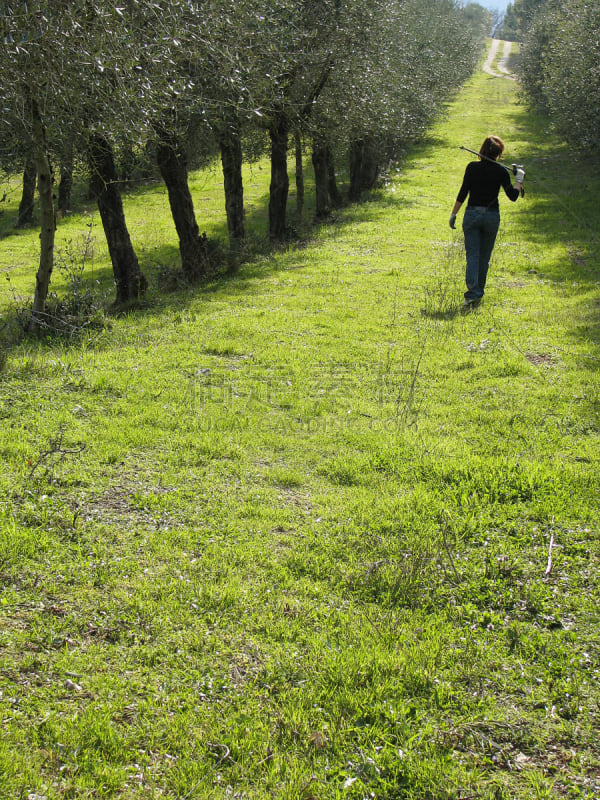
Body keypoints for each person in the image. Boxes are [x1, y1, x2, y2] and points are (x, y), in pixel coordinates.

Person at [449, 135, 524, 309]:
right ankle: (477, 293)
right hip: (491, 216)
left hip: (472, 215)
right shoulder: (501, 171)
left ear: (482, 150)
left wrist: (453, 214)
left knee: (473, 255)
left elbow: (463, 193)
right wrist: (519, 180)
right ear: (499, 154)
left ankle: (473, 294)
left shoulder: (472, 168)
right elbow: (513, 196)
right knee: (484, 257)